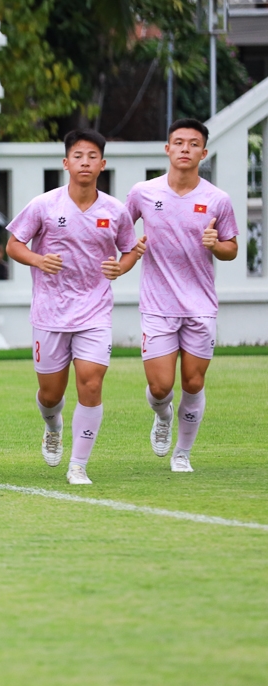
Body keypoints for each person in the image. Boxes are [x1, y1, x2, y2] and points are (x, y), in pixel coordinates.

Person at [5, 129, 144, 485]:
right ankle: (53, 427)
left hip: (95, 312)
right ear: (66, 163)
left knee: (91, 384)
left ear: (103, 164)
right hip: (50, 313)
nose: (85, 162)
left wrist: (121, 267)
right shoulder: (44, 205)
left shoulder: (114, 211)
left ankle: (78, 464)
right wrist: (38, 260)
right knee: (50, 396)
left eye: (92, 156)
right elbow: (14, 245)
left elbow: (129, 250)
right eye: (78, 156)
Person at [126, 118, 239, 472]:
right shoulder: (143, 192)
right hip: (158, 304)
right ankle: (162, 417)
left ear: (203, 153)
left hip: (200, 305)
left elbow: (232, 248)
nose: (185, 149)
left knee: (193, 381)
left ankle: (182, 453)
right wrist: (127, 251)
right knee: (160, 388)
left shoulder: (217, 199)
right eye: (179, 142)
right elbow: (119, 228)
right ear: (167, 149)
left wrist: (216, 244)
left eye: (193, 144)